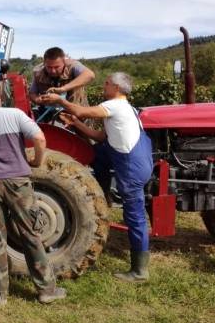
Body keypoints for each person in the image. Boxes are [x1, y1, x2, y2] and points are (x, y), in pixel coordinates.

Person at [39, 72, 153, 282]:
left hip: (131, 165)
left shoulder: (115, 106)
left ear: (116, 88)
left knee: (134, 216)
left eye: (107, 83)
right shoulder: (125, 108)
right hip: (125, 156)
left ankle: (139, 270)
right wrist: (76, 123)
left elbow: (82, 110)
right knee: (97, 154)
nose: (104, 85)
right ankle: (103, 195)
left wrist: (60, 100)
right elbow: (100, 137)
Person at [0, 84, 66, 305]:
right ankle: (46, 290)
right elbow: (40, 138)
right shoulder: (14, 114)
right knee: (30, 234)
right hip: (18, 182)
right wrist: (37, 161)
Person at [29, 47, 95, 107]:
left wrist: (63, 89)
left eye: (57, 67)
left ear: (64, 62)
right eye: (49, 67)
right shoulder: (38, 72)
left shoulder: (73, 66)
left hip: (77, 110)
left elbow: (90, 75)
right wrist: (38, 100)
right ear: (44, 63)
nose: (53, 71)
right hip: (49, 112)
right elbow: (32, 93)